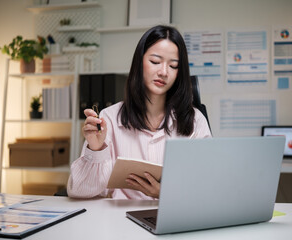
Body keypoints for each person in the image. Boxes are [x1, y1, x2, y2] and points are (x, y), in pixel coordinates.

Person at [67, 25, 211, 200]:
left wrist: (166, 194)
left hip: (173, 218)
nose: (164, 72)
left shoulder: (195, 121)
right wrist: (95, 149)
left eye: (173, 66)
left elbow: (207, 188)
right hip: (120, 221)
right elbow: (79, 191)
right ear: (139, 63)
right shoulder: (109, 118)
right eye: (155, 62)